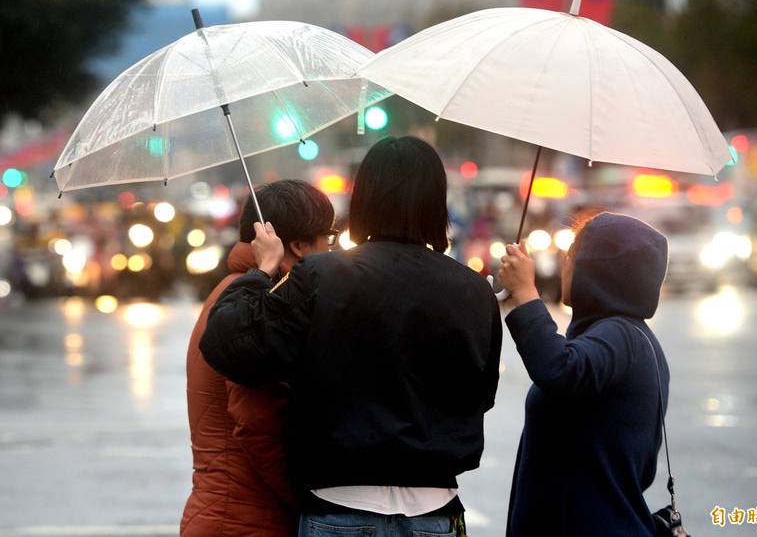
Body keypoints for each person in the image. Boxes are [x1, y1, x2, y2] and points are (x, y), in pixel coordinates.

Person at [200, 136, 502, 537]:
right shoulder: (473, 290)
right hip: (435, 510)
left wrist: (260, 272)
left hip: (339, 506)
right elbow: (482, 395)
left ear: (364, 199)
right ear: (436, 201)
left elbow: (227, 343)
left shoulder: (320, 276)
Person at [181, 180, 337, 537]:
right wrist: (312, 500)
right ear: (297, 245)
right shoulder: (256, 308)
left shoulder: (238, 293)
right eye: (328, 235)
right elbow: (259, 424)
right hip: (246, 520)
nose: (332, 247)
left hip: (227, 512)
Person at [499, 212, 670, 536]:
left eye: (571, 258)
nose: (564, 265)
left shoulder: (622, 337)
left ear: (596, 270)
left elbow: (559, 370)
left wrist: (525, 292)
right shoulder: (616, 336)